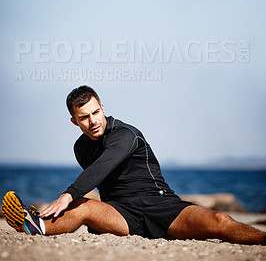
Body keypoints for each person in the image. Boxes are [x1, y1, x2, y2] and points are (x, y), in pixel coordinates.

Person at [2, 85, 266, 244]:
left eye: (96, 112)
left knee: (219, 221)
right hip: (121, 214)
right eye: (84, 117)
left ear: (103, 107)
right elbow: (102, 182)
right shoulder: (80, 147)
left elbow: (102, 167)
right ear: (74, 121)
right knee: (84, 208)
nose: (93, 120)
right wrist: (89, 210)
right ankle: (35, 225)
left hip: (161, 206)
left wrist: (68, 194)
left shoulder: (125, 134)